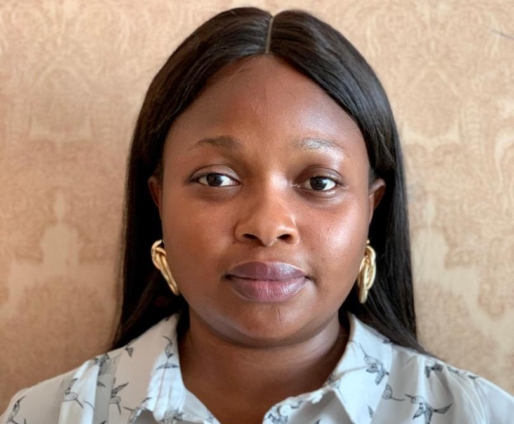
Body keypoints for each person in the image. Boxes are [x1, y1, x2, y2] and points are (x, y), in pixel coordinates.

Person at [1, 6, 513, 424]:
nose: (267, 226)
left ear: (371, 210)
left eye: (319, 183)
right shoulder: (49, 415)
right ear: (159, 201)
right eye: (215, 179)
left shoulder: (479, 415)